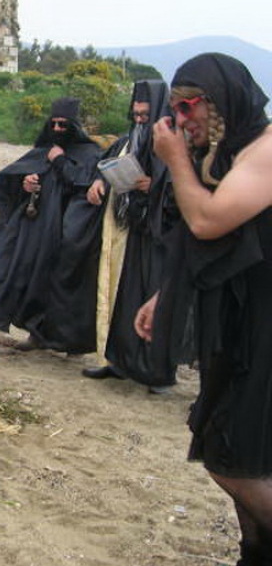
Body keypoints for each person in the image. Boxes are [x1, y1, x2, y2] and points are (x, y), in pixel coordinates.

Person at [134, 53, 272, 565]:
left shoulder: (265, 151)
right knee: (238, 448)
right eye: (174, 109)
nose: (181, 120)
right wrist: (164, 296)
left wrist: (174, 160)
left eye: (187, 107)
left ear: (219, 103)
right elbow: (213, 251)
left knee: (232, 459)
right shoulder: (229, 155)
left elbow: (208, 222)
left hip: (264, 326)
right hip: (237, 325)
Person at [0, 97, 101, 350]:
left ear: (74, 126)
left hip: (69, 232)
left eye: (62, 125)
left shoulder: (90, 154)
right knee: (23, 272)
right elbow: (18, 176)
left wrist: (59, 161)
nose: (56, 130)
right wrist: (26, 183)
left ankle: (65, 341)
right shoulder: (43, 149)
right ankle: (35, 333)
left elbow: (81, 184)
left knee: (62, 285)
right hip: (38, 229)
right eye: (53, 124)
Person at [82, 80, 179, 391]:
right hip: (133, 230)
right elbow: (108, 163)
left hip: (162, 236)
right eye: (135, 114)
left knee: (157, 299)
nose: (138, 120)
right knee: (126, 297)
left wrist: (157, 187)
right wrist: (100, 180)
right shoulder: (130, 139)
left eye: (144, 115)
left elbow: (186, 186)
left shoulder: (174, 143)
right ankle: (120, 361)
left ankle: (158, 373)